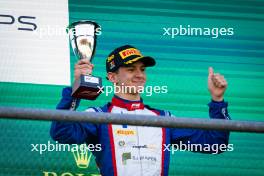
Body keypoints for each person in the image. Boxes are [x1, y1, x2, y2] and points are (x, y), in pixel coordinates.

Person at [50, 45, 231, 176]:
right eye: (131, 69)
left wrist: (217, 100)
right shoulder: (98, 115)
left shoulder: (163, 118)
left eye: (142, 69)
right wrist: (76, 89)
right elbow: (62, 133)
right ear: (112, 77)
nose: (140, 75)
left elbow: (215, 144)